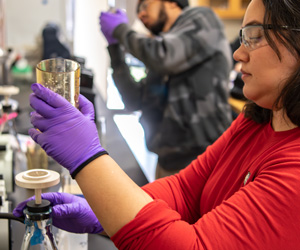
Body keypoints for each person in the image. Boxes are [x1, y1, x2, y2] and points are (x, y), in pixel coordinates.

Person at [13, 0, 300, 248]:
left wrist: (88, 159)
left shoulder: (198, 22)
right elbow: (184, 191)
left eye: (255, 35)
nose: (239, 53)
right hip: (168, 149)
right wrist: (102, 208)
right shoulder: (256, 120)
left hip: (193, 141)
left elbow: (163, 55)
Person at [99, 0, 233, 178]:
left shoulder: (202, 19)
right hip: (167, 162)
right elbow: (134, 100)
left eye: (145, 6)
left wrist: (121, 30)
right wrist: (115, 50)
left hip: (205, 160)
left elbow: (163, 56)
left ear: (171, 2)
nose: (140, 15)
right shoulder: (165, 45)